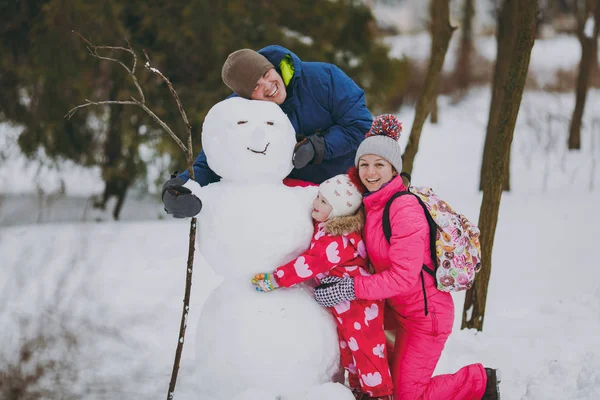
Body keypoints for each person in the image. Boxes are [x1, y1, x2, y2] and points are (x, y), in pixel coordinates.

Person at [312, 115, 501, 400]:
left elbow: (402, 277)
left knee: (408, 397)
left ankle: (478, 380)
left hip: (427, 318)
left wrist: (349, 288)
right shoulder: (373, 204)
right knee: (379, 368)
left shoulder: (404, 209)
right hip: (398, 311)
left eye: (379, 164)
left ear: (393, 169)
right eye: (364, 164)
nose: (370, 172)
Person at [162, 45, 373, 218]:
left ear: (272, 66)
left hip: (350, 189)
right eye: (255, 86)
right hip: (303, 206)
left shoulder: (324, 78)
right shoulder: (240, 112)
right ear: (246, 97)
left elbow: (360, 125)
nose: (268, 85)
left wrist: (319, 146)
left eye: (265, 74)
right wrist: (180, 186)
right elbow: (216, 157)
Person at [251, 174, 393, 400]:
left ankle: (379, 394)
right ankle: (358, 390)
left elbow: (309, 264)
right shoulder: (328, 228)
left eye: (324, 202)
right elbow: (307, 186)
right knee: (349, 351)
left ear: (338, 211)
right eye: (318, 197)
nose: (315, 203)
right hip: (346, 304)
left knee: (366, 352)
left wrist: (276, 279)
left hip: (359, 304)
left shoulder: (336, 239)